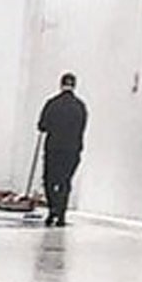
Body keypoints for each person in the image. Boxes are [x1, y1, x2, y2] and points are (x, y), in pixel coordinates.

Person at [38, 72, 87, 227]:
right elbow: (82, 127)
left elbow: (42, 126)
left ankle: (53, 208)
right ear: (75, 86)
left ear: (61, 85)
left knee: (49, 180)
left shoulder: (52, 103)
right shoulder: (80, 106)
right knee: (65, 181)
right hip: (72, 150)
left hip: (53, 149)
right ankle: (61, 215)